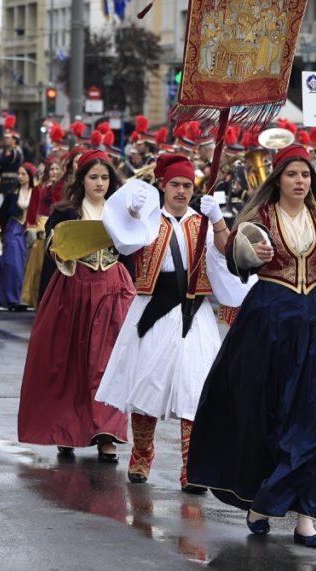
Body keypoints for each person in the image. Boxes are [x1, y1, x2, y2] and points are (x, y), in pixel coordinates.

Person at [187, 144, 316, 548]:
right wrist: (246, 249)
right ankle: (264, 499)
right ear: (278, 179)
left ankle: (303, 517)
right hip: (270, 322)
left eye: (305, 175)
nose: (300, 181)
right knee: (271, 415)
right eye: (292, 174)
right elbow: (236, 259)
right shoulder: (259, 217)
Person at [95, 154, 251, 492]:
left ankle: (191, 467)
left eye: (187, 186)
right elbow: (122, 234)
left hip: (194, 313)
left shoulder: (204, 222)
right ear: (163, 186)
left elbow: (228, 254)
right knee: (146, 385)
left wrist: (219, 221)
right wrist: (131, 206)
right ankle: (142, 452)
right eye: (175, 185)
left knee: (194, 388)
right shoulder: (147, 220)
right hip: (152, 310)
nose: (181, 191)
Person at [17, 150, 152, 460]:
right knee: (73, 363)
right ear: (82, 180)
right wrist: (60, 253)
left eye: (105, 178)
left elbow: (131, 253)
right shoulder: (66, 212)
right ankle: (68, 429)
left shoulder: (121, 211)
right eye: (94, 177)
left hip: (113, 289)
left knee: (109, 364)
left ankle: (107, 433)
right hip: (74, 289)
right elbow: (55, 246)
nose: (100, 183)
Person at [21, 157, 65, 307]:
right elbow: (34, 211)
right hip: (42, 227)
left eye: (56, 169)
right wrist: (31, 227)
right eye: (51, 169)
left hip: (57, 228)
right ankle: (35, 301)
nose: (54, 172)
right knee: (37, 268)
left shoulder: (65, 188)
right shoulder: (39, 189)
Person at [0, 163, 34, 310]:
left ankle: (25, 297)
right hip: (14, 228)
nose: (20, 177)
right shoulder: (13, 192)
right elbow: (2, 212)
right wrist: (0, 231)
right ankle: (11, 297)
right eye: (19, 174)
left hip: (31, 228)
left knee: (29, 262)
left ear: (30, 176)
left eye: (23, 174)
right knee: (13, 263)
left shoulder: (36, 191)